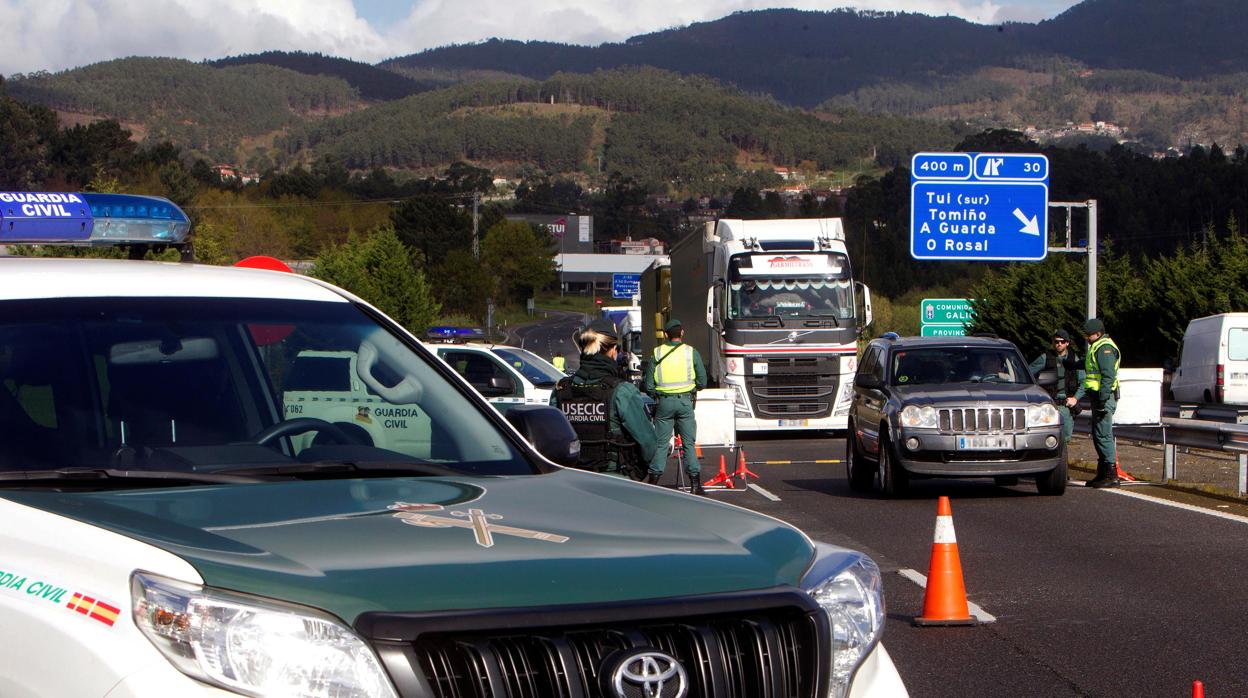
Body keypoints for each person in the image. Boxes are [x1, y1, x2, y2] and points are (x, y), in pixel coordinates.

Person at [553, 319, 657, 478]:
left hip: (572, 479)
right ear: (613, 350)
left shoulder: (561, 389)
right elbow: (648, 444)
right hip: (614, 481)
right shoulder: (622, 391)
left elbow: (551, 437)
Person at [644, 319, 707, 493]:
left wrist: (658, 394)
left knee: (661, 443)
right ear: (682, 333)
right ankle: (695, 485)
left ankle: (653, 483)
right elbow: (702, 381)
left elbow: (648, 385)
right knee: (688, 443)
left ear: (665, 335)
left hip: (664, 403)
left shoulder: (656, 353)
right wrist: (693, 389)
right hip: (685, 402)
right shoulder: (691, 352)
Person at [1029, 329, 1086, 446]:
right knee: (1047, 439)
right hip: (1049, 405)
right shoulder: (1046, 358)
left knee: (1065, 440)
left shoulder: (1073, 359)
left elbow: (1084, 381)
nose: (1059, 344)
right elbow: (1028, 373)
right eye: (1056, 341)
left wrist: (1075, 398)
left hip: (1066, 406)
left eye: (1062, 341)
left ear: (1067, 343)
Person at [1083, 318, 1121, 488]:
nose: (1086, 338)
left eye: (1089, 335)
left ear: (1097, 334)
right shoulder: (1097, 346)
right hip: (1099, 398)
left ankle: (1111, 475)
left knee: (1104, 436)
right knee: (1098, 435)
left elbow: (1108, 376)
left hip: (1103, 398)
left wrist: (1102, 399)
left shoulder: (1104, 348)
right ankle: (1102, 473)